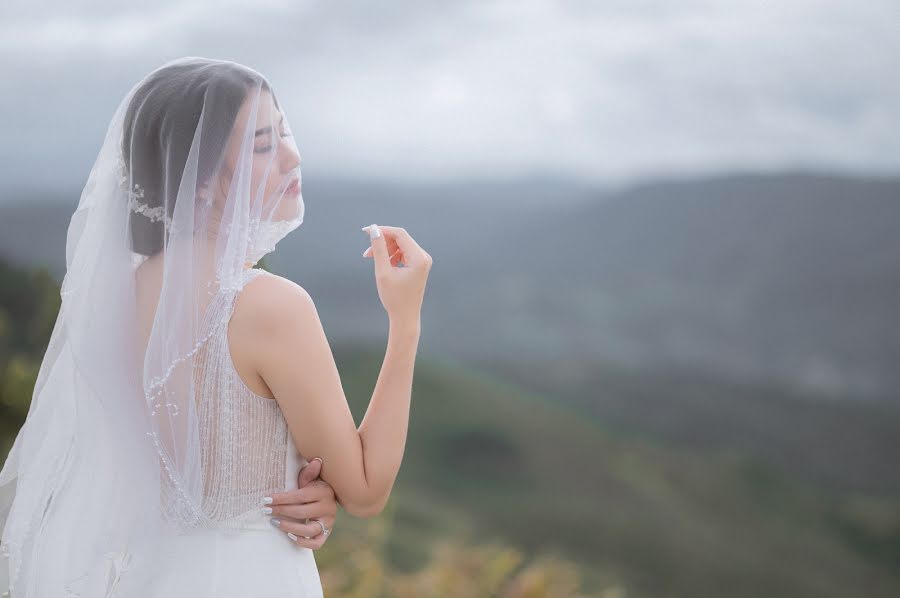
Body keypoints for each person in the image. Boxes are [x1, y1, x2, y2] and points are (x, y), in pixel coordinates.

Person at [0, 56, 431, 597]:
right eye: (262, 146)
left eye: (285, 132)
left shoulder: (113, 298)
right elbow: (366, 490)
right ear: (198, 180)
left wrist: (302, 491)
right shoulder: (269, 306)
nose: (293, 157)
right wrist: (406, 320)